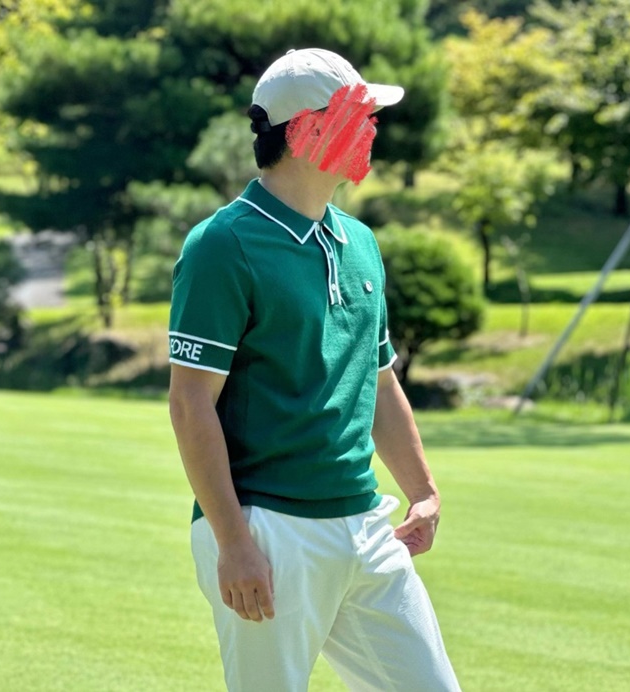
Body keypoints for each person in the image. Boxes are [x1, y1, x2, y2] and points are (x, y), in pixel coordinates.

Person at [168, 47, 462, 692]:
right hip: (268, 530)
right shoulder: (222, 245)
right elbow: (190, 403)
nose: (374, 129)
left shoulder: (360, 242)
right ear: (307, 130)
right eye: (361, 115)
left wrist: (422, 490)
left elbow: (378, 380)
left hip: (365, 524)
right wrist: (233, 543)